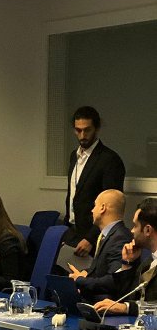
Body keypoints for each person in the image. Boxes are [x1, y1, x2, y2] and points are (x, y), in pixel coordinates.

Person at [63, 106, 125, 256]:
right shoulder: (74, 156)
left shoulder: (109, 160)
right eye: (78, 130)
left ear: (96, 129)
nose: (82, 135)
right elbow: (73, 195)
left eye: (87, 130)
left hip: (93, 237)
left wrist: (90, 238)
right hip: (72, 231)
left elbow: (112, 206)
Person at [94, 197, 157, 316]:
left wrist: (127, 308)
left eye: (135, 225)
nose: (132, 231)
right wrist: (127, 264)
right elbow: (125, 297)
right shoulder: (147, 263)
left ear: (147, 230)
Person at [67, 189, 132, 302]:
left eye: (95, 205)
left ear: (102, 208)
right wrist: (87, 272)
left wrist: (80, 280)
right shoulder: (108, 235)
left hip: (105, 305)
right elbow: (103, 268)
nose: (92, 210)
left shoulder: (120, 237)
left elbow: (114, 281)